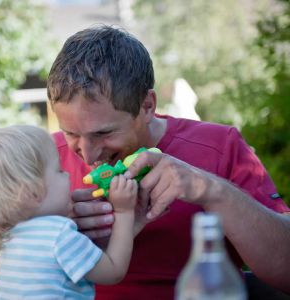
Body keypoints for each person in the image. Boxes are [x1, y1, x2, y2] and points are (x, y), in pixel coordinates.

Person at [46, 25, 290, 299]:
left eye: (103, 133)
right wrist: (50, 233)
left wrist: (210, 190)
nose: (88, 155)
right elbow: (3, 270)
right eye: (71, 134)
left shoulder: (220, 146)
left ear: (147, 106)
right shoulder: (42, 161)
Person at [0, 125, 138, 299]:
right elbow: (113, 271)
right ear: (33, 193)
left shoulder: (10, 239)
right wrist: (124, 212)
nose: (68, 174)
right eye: (59, 170)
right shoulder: (60, 235)